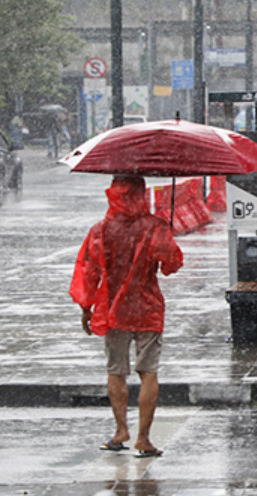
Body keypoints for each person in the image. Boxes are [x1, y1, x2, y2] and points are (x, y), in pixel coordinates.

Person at [70, 175, 183, 457]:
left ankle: (121, 430)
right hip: (148, 309)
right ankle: (143, 438)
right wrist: (165, 236)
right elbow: (171, 264)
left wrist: (87, 308)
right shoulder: (154, 226)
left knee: (116, 371)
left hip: (114, 311)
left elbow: (88, 270)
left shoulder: (102, 229)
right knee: (148, 372)